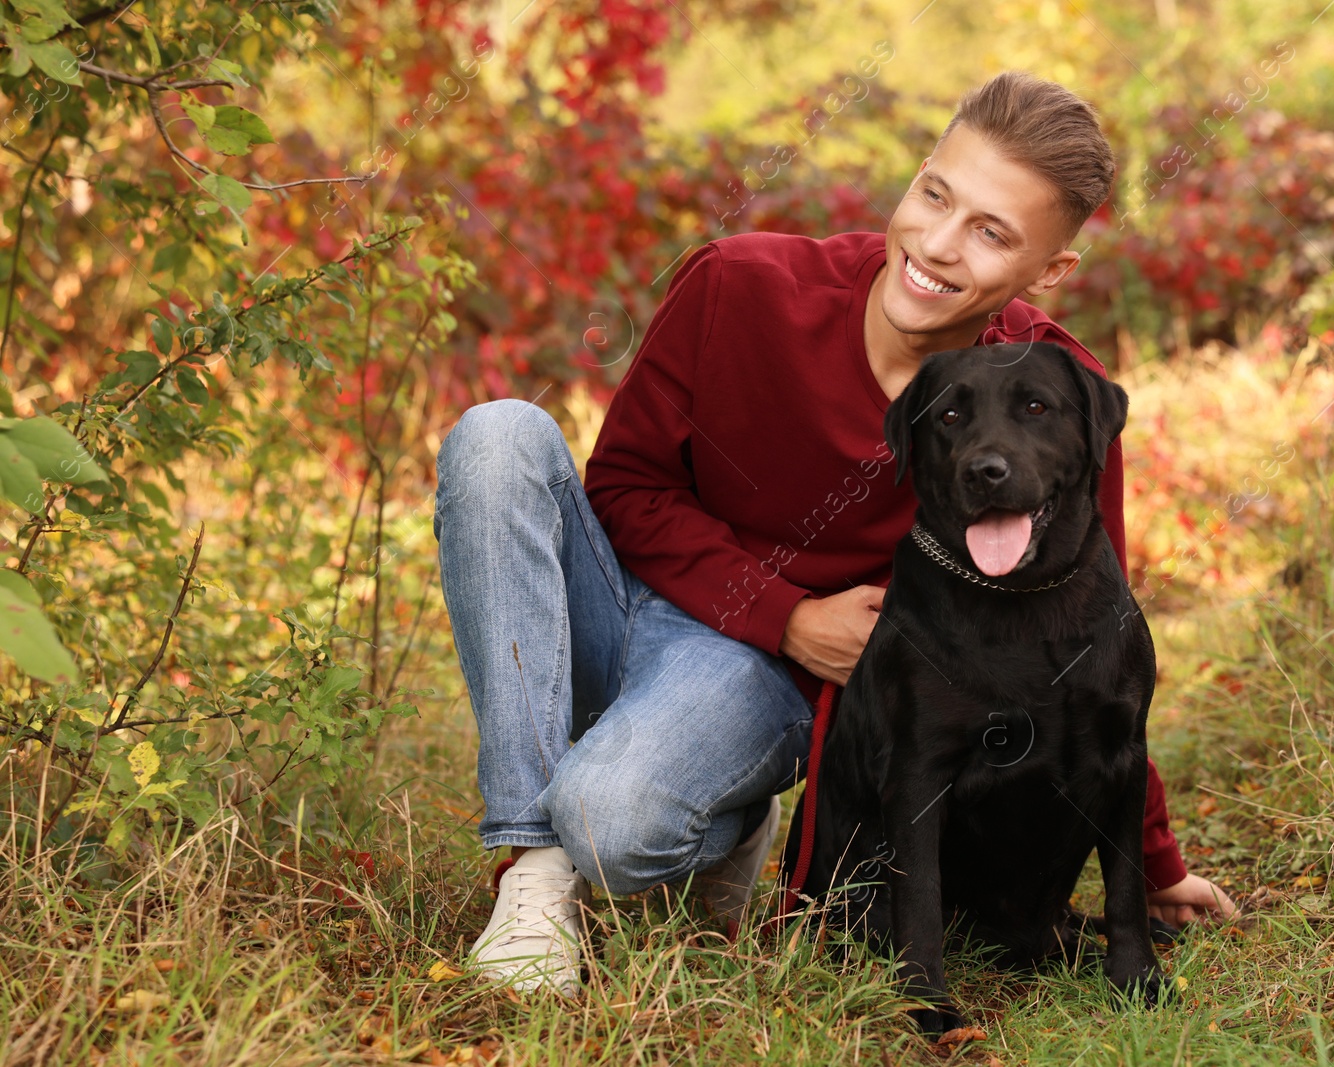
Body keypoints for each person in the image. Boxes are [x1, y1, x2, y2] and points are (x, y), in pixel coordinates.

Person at [433, 70, 1238, 996]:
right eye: (935, 194)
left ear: (1049, 270)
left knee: (616, 824)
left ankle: (718, 813)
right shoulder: (740, 285)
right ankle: (532, 871)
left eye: (992, 233)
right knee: (499, 438)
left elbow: (1087, 652)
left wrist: (1157, 862)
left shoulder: (1048, 405)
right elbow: (624, 483)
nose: (936, 244)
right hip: (642, 602)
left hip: (753, 682)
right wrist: (783, 612)